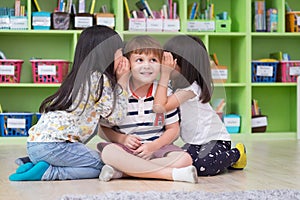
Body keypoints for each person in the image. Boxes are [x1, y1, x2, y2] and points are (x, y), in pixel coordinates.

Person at [9, 25, 130, 181]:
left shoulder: (77, 77)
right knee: (104, 164)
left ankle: (35, 164)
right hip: (55, 147)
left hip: (34, 144)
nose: (123, 57)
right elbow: (116, 118)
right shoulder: (99, 79)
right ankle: (49, 172)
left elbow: (103, 117)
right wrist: (123, 82)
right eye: (120, 51)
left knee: (93, 161)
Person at [97, 35, 198, 184]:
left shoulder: (164, 93)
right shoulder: (118, 92)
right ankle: (169, 174)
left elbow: (173, 129)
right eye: (139, 60)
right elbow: (103, 129)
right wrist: (122, 139)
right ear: (128, 64)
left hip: (157, 149)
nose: (147, 65)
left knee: (185, 159)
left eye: (153, 60)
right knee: (108, 152)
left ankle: (123, 172)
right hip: (124, 150)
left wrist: (153, 146)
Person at [153, 35, 247, 176]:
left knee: (202, 166)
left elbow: (161, 106)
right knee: (181, 160)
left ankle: (237, 154)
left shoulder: (191, 89)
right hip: (194, 143)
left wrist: (164, 75)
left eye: (171, 62)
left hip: (216, 140)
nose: (165, 66)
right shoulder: (174, 85)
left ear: (186, 65)